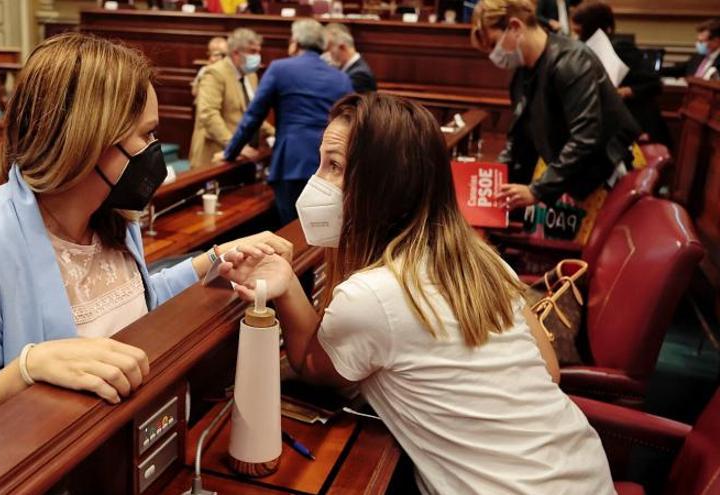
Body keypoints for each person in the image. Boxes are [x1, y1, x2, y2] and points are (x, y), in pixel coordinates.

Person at [0, 32, 292, 457]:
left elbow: (130, 303)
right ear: (88, 137)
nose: (154, 152)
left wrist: (214, 261)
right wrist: (26, 370)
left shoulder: (112, 215)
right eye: (146, 135)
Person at [229, 92, 615, 494]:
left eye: (334, 165)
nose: (317, 179)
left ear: (384, 183)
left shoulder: (373, 294)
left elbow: (313, 365)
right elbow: (548, 371)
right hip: (584, 472)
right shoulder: (483, 261)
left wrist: (287, 284)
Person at [471, 0, 641, 244]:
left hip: (599, 174)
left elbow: (585, 137)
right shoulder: (523, 72)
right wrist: (496, 177)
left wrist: (537, 191)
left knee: (582, 254)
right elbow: (520, 137)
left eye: (494, 44)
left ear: (515, 27)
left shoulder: (572, 61)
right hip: (566, 172)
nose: (493, 56)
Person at [221, 19, 353, 224]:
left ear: (296, 42)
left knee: (290, 226)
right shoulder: (341, 78)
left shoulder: (280, 69)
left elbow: (253, 116)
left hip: (291, 161)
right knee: (322, 229)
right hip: (330, 164)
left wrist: (230, 153)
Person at [571, 1, 671, 146]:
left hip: (637, 124)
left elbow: (655, 84)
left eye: (580, 33)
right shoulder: (582, 52)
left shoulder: (622, 49)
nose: (577, 39)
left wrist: (626, 92)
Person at [190, 29, 274, 168]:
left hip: (244, 155)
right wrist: (234, 146)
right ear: (235, 53)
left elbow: (253, 114)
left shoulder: (250, 75)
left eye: (258, 51)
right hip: (216, 155)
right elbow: (208, 114)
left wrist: (274, 133)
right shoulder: (215, 73)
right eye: (252, 52)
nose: (257, 57)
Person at [324, 23, 377, 93]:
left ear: (342, 47)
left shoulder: (360, 75)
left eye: (329, 48)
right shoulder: (348, 69)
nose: (327, 54)